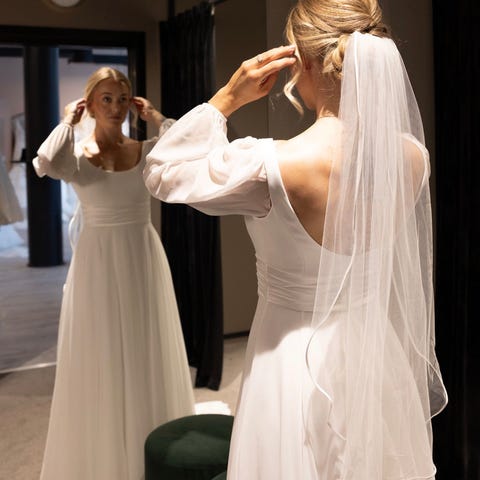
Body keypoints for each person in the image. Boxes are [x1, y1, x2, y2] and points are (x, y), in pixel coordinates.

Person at [144, 0, 448, 478]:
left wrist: (226, 98)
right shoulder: (411, 156)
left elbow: (162, 172)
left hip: (289, 360)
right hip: (373, 355)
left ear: (303, 59)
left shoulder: (270, 167)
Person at [34, 67, 195, 480]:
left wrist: (155, 116)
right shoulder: (76, 157)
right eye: (105, 98)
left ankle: (150, 440)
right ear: (89, 103)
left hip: (141, 253)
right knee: (101, 345)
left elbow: (189, 143)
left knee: (144, 340)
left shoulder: (147, 150)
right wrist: (67, 121)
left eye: (122, 99)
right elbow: (45, 162)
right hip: (97, 260)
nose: (116, 107)